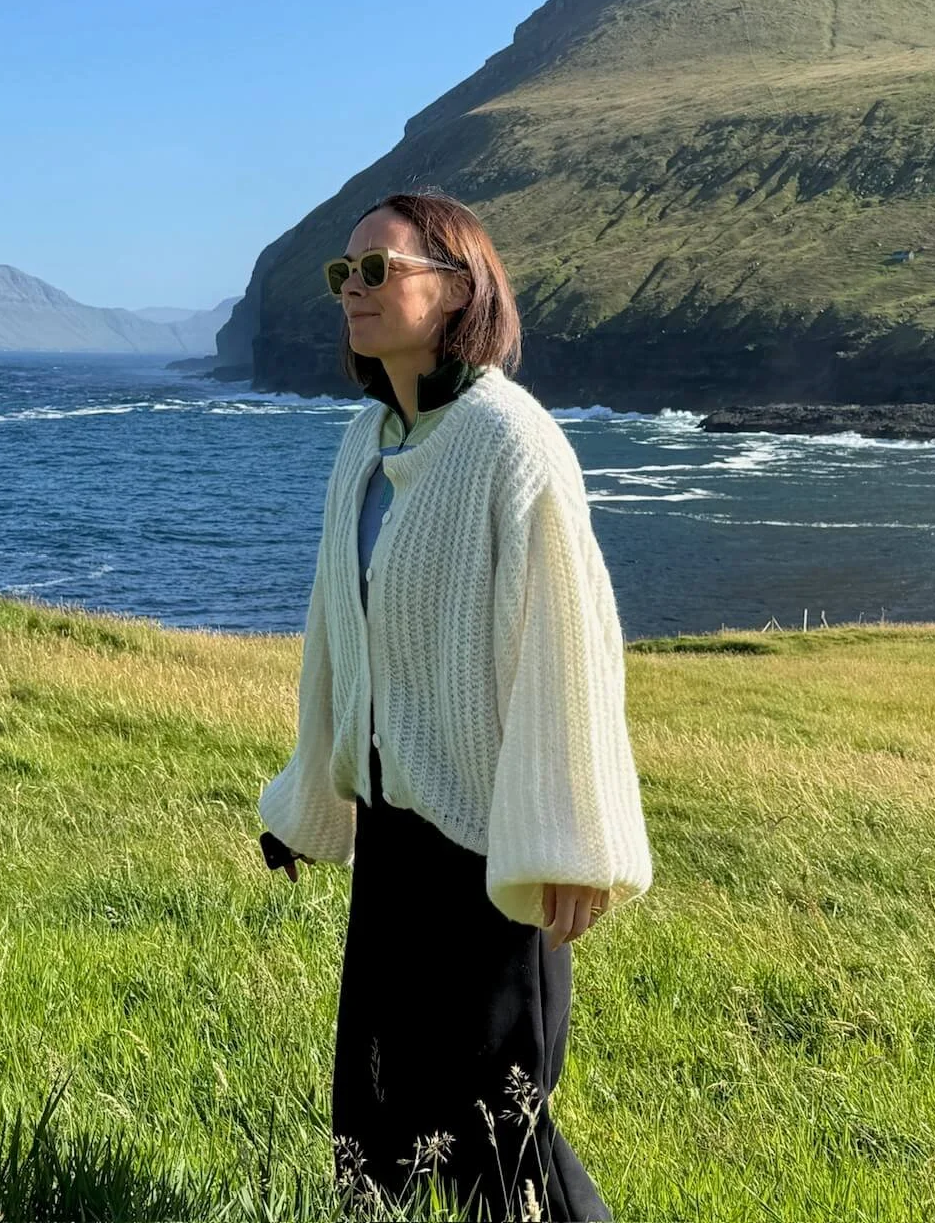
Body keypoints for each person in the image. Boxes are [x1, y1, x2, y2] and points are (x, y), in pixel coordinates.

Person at [256, 188, 653, 1222]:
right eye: (343, 272)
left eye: (379, 269)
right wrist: (310, 800)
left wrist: (571, 843)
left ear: (457, 288)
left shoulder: (509, 443)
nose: (353, 289)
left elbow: (569, 646)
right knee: (378, 1122)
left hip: (491, 855)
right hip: (394, 841)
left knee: (499, 1141)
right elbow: (335, 636)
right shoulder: (364, 443)